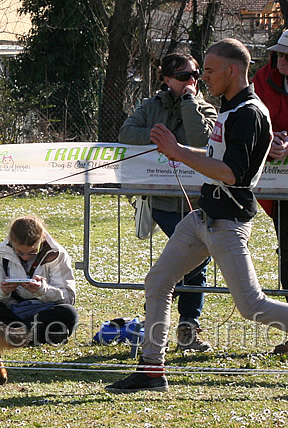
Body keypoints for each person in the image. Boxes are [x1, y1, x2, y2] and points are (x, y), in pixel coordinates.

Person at [106, 38, 288, 393]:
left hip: (228, 222)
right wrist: (178, 150)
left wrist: (177, 151)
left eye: (208, 70)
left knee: (251, 306)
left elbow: (233, 173)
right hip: (203, 217)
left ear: (231, 70)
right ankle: (151, 370)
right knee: (157, 281)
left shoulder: (249, 113)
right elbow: (211, 155)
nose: (202, 78)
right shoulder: (230, 108)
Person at [119, 52, 218, 352]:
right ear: (166, 79)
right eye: (184, 76)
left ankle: (185, 327)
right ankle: (163, 323)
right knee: (188, 262)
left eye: (196, 75)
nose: (193, 81)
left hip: (198, 201)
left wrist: (190, 103)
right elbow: (126, 133)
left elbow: (204, 140)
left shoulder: (205, 108)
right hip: (163, 201)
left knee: (191, 264)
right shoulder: (150, 106)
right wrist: (159, 140)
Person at [0, 216, 78, 345]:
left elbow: (68, 298)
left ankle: (13, 335)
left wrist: (42, 290)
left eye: (32, 252)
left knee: (68, 313)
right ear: (11, 242)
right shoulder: (1, 252)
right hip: (12, 310)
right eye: (19, 252)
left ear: (40, 241)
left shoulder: (57, 253)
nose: (25, 257)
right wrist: (2, 291)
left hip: (43, 310)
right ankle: (37, 335)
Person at [252, 31, 288, 329]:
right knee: (287, 249)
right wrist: (269, 139)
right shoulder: (263, 77)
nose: (282, 60)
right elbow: (255, 114)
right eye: (279, 53)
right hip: (278, 184)